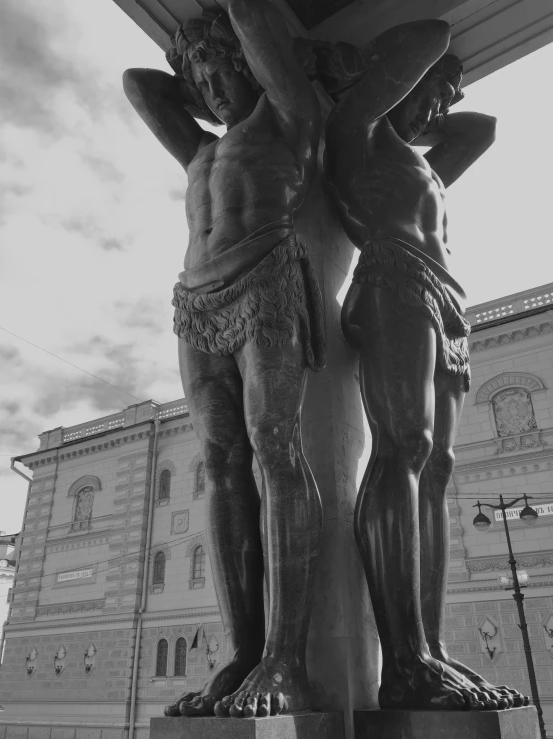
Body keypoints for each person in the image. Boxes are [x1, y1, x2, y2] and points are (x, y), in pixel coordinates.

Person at [123, 0, 324, 719]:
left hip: (267, 278)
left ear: (253, 66)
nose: (209, 86)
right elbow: (138, 83)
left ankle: (286, 658)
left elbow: (249, 13)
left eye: (220, 70)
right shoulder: (200, 150)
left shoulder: (289, 118)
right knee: (223, 465)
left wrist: (230, 44)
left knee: (276, 450)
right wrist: (196, 61)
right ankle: (244, 649)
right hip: (195, 304)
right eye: (199, 79)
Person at [325, 20, 525, 711]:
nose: (437, 108)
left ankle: (430, 651)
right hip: (390, 282)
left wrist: (431, 103)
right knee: (403, 447)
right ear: (385, 81)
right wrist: (388, 82)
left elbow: (482, 128)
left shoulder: (421, 166)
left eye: (444, 98)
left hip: (446, 304)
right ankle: (403, 658)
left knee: (437, 469)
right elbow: (432, 32)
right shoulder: (356, 131)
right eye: (428, 93)